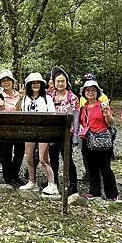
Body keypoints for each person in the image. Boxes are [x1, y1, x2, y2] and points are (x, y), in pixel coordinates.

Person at [19, 72, 59, 195]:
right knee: (30, 158)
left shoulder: (47, 99)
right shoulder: (25, 98)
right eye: (33, 83)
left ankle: (52, 184)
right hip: (30, 131)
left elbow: (52, 116)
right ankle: (32, 182)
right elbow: (22, 113)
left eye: (38, 83)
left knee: (43, 158)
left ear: (42, 84)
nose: (35, 85)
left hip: (44, 132)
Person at [79, 80, 118, 200]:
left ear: (97, 92)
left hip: (102, 139)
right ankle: (94, 191)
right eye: (88, 90)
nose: (90, 92)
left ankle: (112, 194)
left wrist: (106, 113)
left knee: (105, 167)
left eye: (93, 90)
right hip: (88, 139)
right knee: (91, 167)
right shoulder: (83, 107)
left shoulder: (102, 105)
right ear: (84, 93)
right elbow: (81, 121)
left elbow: (110, 123)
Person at [48, 66, 79, 195]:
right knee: (53, 158)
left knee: (68, 158)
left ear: (66, 82)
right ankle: (54, 182)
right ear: (54, 83)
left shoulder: (73, 98)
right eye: (58, 81)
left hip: (68, 132)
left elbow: (76, 118)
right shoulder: (50, 95)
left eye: (62, 81)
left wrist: (76, 136)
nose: (60, 84)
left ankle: (72, 184)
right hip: (53, 132)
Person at [0, 69, 25, 186]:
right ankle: (8, 178)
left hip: (19, 129)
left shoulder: (20, 94)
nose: (6, 82)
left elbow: (20, 111)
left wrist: (21, 99)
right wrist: (2, 109)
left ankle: (15, 174)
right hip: (5, 130)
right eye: (4, 81)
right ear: (1, 83)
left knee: (19, 152)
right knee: (6, 153)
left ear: (13, 82)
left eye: (8, 80)